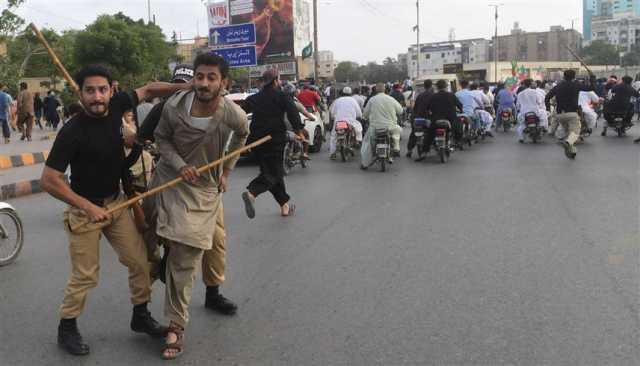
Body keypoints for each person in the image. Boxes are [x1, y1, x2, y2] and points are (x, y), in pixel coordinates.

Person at [40, 64, 192, 357]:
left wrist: (184, 88)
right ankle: (67, 326)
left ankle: (140, 315)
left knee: (139, 262)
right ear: (80, 93)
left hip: (116, 203)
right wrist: (85, 206)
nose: (97, 97)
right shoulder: (72, 132)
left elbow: (148, 89)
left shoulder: (119, 104)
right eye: (90, 91)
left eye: (102, 90)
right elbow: (49, 180)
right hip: (84, 211)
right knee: (86, 274)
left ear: (112, 90)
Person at [144, 54, 248, 360]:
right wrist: (178, 164)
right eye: (199, 76)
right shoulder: (174, 106)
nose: (203, 83)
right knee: (153, 239)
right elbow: (161, 139)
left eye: (211, 78)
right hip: (169, 182)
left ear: (223, 83)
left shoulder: (232, 114)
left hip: (204, 190)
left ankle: (176, 323)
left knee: (186, 255)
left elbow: (243, 135)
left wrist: (227, 171)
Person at [241, 69, 305, 218]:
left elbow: (239, 113)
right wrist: (299, 131)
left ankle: (285, 206)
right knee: (274, 173)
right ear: (276, 80)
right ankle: (252, 192)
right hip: (274, 139)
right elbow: (293, 113)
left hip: (256, 140)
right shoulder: (282, 96)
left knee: (272, 172)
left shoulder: (254, 98)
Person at [545, 69, 595, 159]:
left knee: (569, 134)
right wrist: (592, 77)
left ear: (564, 76)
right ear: (574, 77)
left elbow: (547, 97)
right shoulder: (576, 85)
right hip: (572, 114)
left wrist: (548, 108)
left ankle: (571, 151)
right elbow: (591, 88)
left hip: (559, 115)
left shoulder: (558, 86)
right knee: (576, 133)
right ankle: (567, 143)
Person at [360, 82, 403, 169]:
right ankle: (396, 147)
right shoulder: (391, 99)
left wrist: (365, 117)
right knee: (398, 130)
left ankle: (365, 164)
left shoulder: (372, 100)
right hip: (390, 127)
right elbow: (400, 111)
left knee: (366, 144)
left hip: (375, 128)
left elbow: (365, 114)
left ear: (376, 90)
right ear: (384, 89)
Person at [421, 79, 463, 156]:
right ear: (446, 87)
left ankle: (425, 151)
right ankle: (458, 142)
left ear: (437, 87)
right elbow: (460, 105)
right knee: (459, 126)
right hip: (451, 120)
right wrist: (460, 110)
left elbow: (427, 108)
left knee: (429, 134)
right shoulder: (451, 95)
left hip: (436, 120)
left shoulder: (433, 96)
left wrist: (430, 113)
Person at [329, 86, 363, 159]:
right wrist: (359, 116)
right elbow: (359, 113)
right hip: (350, 122)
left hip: (338, 122)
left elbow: (332, 113)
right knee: (359, 129)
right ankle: (358, 141)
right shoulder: (353, 100)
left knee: (333, 136)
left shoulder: (337, 100)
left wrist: (334, 117)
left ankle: (332, 153)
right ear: (350, 93)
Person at [407, 79, 434, 159]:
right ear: (431, 86)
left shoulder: (420, 96)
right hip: (428, 119)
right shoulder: (433, 96)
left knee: (413, 132)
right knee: (431, 131)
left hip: (418, 118)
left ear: (424, 86)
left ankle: (409, 150)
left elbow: (415, 108)